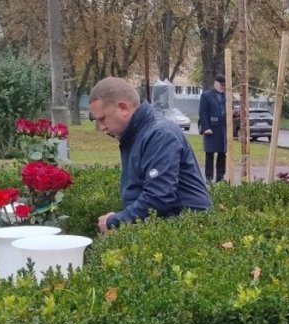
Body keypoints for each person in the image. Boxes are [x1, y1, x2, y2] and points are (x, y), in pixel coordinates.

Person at [90, 77, 212, 234]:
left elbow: (158, 198)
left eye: (102, 119)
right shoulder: (137, 134)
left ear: (123, 108)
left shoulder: (159, 135)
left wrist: (114, 221)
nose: (101, 127)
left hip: (188, 233)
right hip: (171, 229)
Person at [198, 74, 227, 183]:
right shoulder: (206, 95)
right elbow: (203, 113)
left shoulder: (226, 96)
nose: (222, 87)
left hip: (222, 130)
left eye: (224, 85)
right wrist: (206, 128)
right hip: (211, 129)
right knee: (209, 154)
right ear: (215, 83)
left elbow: (229, 110)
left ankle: (220, 177)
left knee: (222, 154)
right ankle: (209, 178)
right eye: (221, 85)